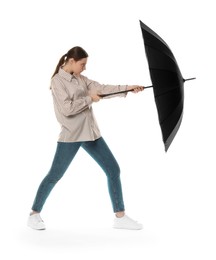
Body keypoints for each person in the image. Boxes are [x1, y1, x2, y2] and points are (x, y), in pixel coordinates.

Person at [27, 46, 144, 230]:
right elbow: (67, 109)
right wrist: (90, 99)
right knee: (55, 175)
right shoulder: (57, 82)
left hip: (90, 134)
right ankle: (34, 214)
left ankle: (120, 217)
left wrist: (129, 88)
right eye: (83, 64)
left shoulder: (81, 79)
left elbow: (102, 88)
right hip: (72, 136)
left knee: (113, 169)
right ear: (71, 61)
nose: (85, 68)